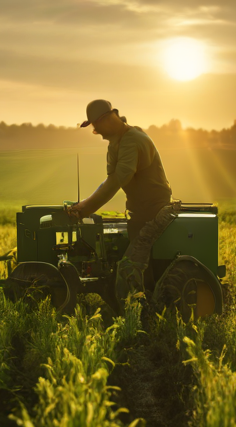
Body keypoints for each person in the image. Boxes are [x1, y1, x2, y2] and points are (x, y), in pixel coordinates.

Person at [68, 99, 179, 304]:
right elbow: (111, 179)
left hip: (154, 212)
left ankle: (140, 313)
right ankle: (144, 307)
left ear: (106, 120)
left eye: (95, 127)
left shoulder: (132, 140)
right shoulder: (116, 143)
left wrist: (84, 208)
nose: (96, 133)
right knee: (128, 260)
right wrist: (83, 204)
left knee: (131, 266)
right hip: (139, 212)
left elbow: (119, 179)